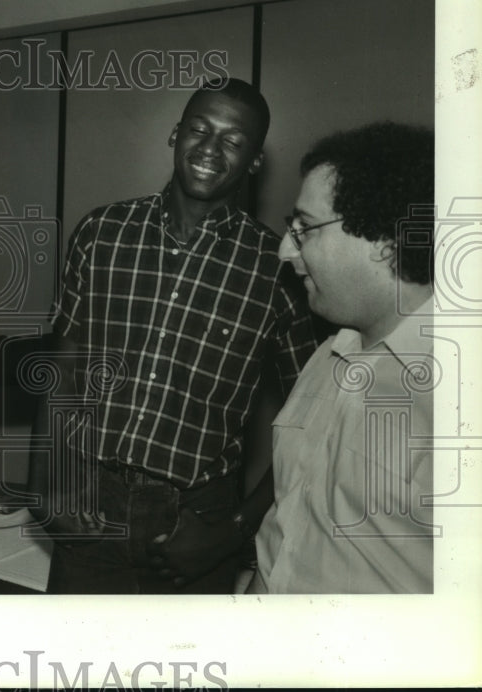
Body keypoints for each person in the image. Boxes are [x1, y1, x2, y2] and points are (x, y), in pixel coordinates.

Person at [29, 78, 319, 593]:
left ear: (254, 160)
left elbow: (312, 421)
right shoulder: (102, 232)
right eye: (199, 130)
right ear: (175, 133)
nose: (209, 148)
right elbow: (63, 369)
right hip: (90, 505)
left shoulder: (277, 269)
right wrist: (45, 482)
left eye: (233, 140)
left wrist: (233, 529)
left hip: (196, 523)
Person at [250, 122, 435, 593]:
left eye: (305, 229)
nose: (284, 250)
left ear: (384, 241)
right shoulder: (326, 358)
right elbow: (285, 525)